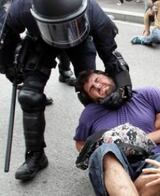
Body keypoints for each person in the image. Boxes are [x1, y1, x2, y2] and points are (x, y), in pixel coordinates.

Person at [0, 0, 133, 181]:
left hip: (81, 41)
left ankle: (113, 145)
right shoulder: (22, 7)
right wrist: (8, 66)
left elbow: (112, 56)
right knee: (29, 96)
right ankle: (36, 155)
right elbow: (7, 38)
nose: (62, 36)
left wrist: (123, 88)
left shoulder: (93, 12)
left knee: (93, 96)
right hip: (41, 40)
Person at [74, 70, 160, 196]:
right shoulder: (89, 113)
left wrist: (140, 140)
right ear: (92, 98)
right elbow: (80, 144)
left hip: (150, 160)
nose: (97, 86)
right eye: (92, 88)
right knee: (104, 151)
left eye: (97, 80)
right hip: (114, 165)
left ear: (107, 76)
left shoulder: (146, 94)